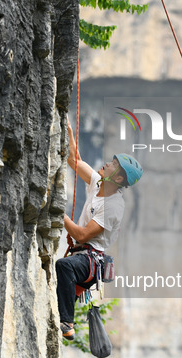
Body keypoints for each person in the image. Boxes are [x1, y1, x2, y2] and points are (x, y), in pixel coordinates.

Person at [56, 117, 143, 340]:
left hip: (91, 261)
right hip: (82, 255)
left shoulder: (113, 206)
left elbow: (82, 235)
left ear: (119, 177)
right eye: (112, 161)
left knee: (64, 266)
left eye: (113, 165)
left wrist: (56, 209)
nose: (107, 164)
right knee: (61, 272)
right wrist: (67, 129)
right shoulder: (98, 183)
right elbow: (75, 160)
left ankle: (67, 321)